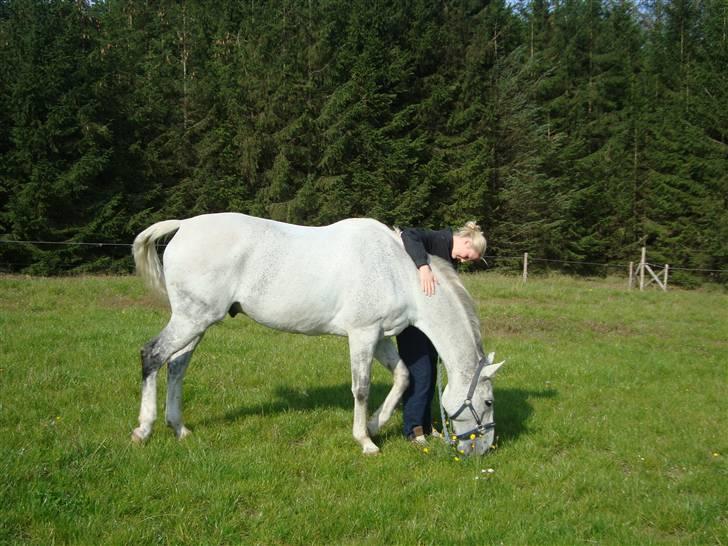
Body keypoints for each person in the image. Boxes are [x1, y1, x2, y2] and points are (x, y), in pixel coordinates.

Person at [397, 221, 487, 444]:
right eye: (468, 255)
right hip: (413, 321)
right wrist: (423, 266)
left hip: (432, 324)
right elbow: (408, 234)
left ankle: (426, 426)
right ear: (466, 241)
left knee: (431, 373)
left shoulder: (449, 255)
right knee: (421, 373)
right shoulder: (438, 239)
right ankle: (413, 429)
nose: (464, 261)